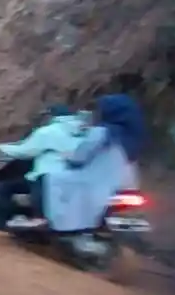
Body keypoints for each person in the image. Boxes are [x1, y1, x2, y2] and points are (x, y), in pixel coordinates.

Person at [43, 94, 145, 234]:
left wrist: (69, 158)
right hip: (128, 184)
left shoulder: (101, 132)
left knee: (51, 180)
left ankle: (55, 223)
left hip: (95, 182)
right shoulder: (133, 137)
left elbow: (80, 157)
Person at [0, 104, 87, 228]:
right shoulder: (84, 131)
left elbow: (26, 151)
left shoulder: (48, 131)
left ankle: (2, 225)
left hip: (47, 176)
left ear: (51, 116)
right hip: (75, 177)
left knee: (4, 188)